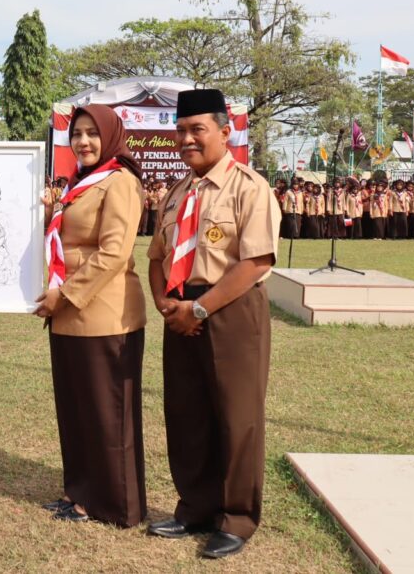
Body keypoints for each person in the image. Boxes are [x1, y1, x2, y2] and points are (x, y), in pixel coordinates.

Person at [145, 89, 279, 560]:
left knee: (236, 416)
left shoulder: (248, 187)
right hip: (179, 309)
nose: (186, 139)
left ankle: (236, 518)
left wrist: (200, 310)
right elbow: (158, 257)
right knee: (185, 412)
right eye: (180, 131)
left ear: (225, 132)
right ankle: (195, 508)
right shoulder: (177, 193)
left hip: (230, 308)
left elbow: (256, 261)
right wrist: (165, 302)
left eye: (197, 129)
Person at [33, 104, 148, 527]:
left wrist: (64, 295)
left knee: (107, 414)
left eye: (91, 134)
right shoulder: (78, 184)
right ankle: (78, 492)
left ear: (111, 137)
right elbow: (64, 240)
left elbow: (114, 253)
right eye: (77, 134)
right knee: (77, 410)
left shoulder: (120, 182)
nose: (82, 142)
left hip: (105, 316)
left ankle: (115, 504)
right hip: (67, 316)